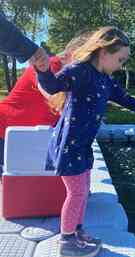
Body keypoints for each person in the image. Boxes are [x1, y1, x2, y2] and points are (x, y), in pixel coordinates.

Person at [35, 26, 135, 257]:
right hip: (69, 146)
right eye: (120, 59)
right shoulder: (80, 71)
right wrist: (43, 70)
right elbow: (52, 86)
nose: (122, 65)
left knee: (83, 192)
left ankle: (76, 232)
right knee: (76, 193)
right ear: (104, 52)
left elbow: (127, 100)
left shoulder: (106, 81)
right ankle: (66, 242)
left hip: (82, 146)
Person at [0, 31, 93, 176]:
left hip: (23, 136)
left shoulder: (74, 76)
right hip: (4, 130)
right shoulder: (47, 65)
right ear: (72, 53)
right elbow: (50, 93)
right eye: (88, 60)